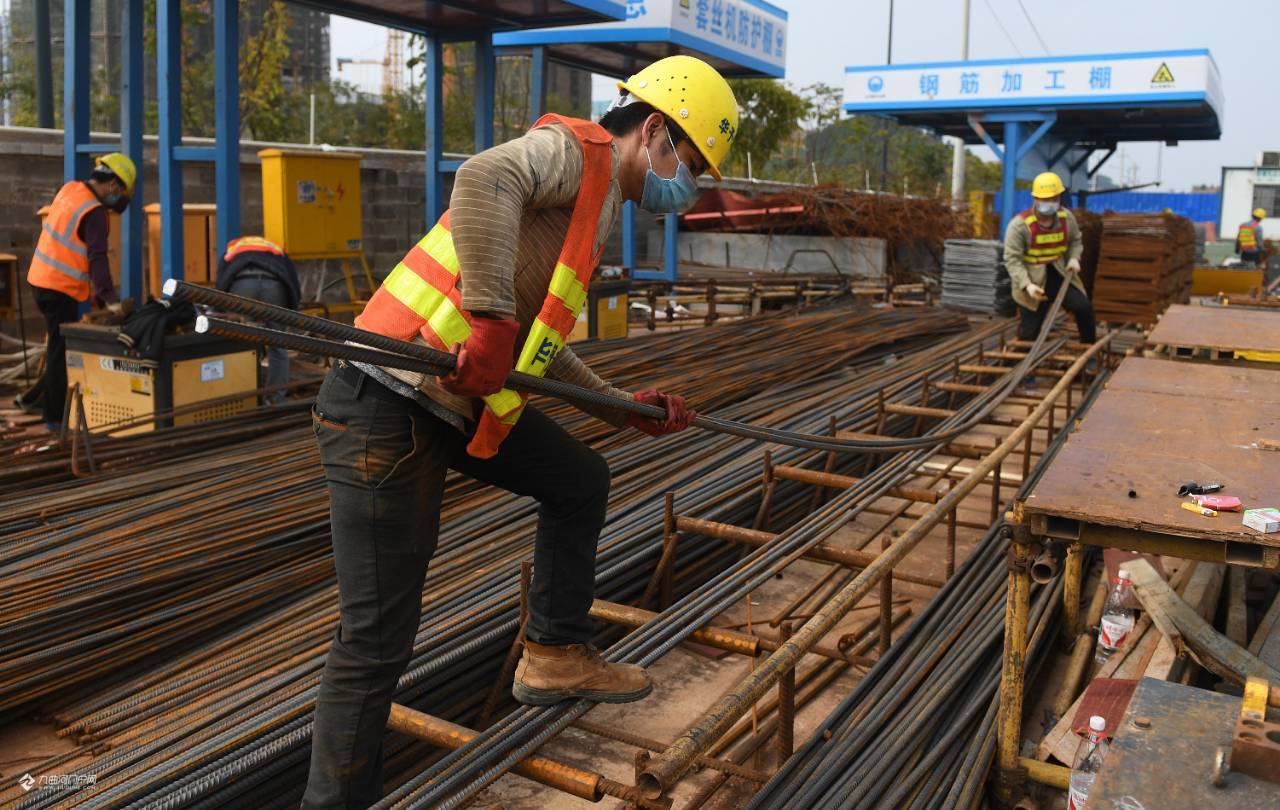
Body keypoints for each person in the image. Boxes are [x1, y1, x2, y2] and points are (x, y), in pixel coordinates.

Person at [301, 55, 737, 809]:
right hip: (383, 399)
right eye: (689, 163)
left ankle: (554, 651)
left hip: (444, 403)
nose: (686, 184)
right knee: (375, 642)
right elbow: (482, 179)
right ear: (654, 131)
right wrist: (492, 319)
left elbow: (536, 347)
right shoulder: (578, 151)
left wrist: (619, 406)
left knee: (580, 480)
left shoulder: (599, 202)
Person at [20, 152, 134, 431]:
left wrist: (96, 296)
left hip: (39, 279)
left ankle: (35, 399)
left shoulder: (70, 190)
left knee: (56, 346)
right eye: (119, 192)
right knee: (61, 353)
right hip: (59, 288)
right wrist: (110, 299)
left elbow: (73, 247)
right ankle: (54, 419)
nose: (118, 199)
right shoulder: (94, 213)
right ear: (112, 185)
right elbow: (97, 258)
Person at [1003, 171, 1095, 346]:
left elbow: (1075, 240)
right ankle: (1024, 359)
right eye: (1046, 199)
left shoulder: (1066, 218)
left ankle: (1088, 348)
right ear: (1035, 198)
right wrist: (1027, 285)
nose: (1050, 203)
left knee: (1084, 308)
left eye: (1054, 198)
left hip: (1059, 274)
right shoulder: (1019, 226)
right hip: (1033, 280)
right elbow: (1013, 260)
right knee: (1029, 333)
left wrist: (1074, 258)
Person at [215, 235, 301, 404]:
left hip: (242, 284)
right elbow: (292, 280)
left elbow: (221, 281)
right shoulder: (276, 249)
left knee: (240, 343)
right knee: (278, 344)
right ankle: (276, 398)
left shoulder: (233, 249)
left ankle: (244, 398)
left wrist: (219, 308)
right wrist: (290, 309)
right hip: (274, 286)